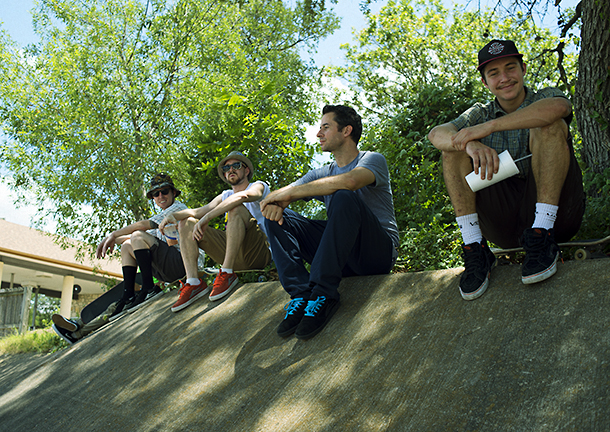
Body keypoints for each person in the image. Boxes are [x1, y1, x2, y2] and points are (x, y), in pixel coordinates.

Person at [428, 39, 585, 301]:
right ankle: (475, 247)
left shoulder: (544, 96)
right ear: (485, 83)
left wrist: (489, 128)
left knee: (549, 124)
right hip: (503, 219)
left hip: (559, 216)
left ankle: (542, 234)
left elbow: (559, 108)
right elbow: (437, 133)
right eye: (494, 73)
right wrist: (470, 145)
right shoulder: (479, 112)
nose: (504, 78)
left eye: (510, 68)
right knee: (452, 149)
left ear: (523, 69)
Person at [261, 104, 399, 340]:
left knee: (344, 195)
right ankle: (301, 295)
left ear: (346, 131)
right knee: (278, 218)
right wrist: (274, 201)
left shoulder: (373, 159)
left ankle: (323, 294)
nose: (318, 134)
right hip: (343, 256)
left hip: (376, 254)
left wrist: (287, 195)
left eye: (325, 127)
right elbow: (287, 191)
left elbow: (351, 181)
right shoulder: (322, 172)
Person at [52, 173, 188, 343]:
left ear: (174, 193)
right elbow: (136, 237)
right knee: (127, 244)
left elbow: (143, 227)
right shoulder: (160, 218)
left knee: (136, 236)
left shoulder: (177, 208)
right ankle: (83, 327)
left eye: (165, 191)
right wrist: (111, 240)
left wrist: (114, 233)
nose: (160, 196)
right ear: (153, 197)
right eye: (156, 194)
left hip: (183, 264)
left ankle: (148, 288)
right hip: (167, 269)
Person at [160, 151, 272, 312]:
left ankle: (226, 273)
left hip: (257, 254)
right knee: (187, 222)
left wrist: (207, 218)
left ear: (246, 170)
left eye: (236, 166)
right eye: (226, 168)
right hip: (233, 254)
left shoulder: (259, 186)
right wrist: (172, 216)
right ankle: (193, 283)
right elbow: (197, 212)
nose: (230, 170)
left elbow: (243, 196)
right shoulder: (225, 195)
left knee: (235, 208)